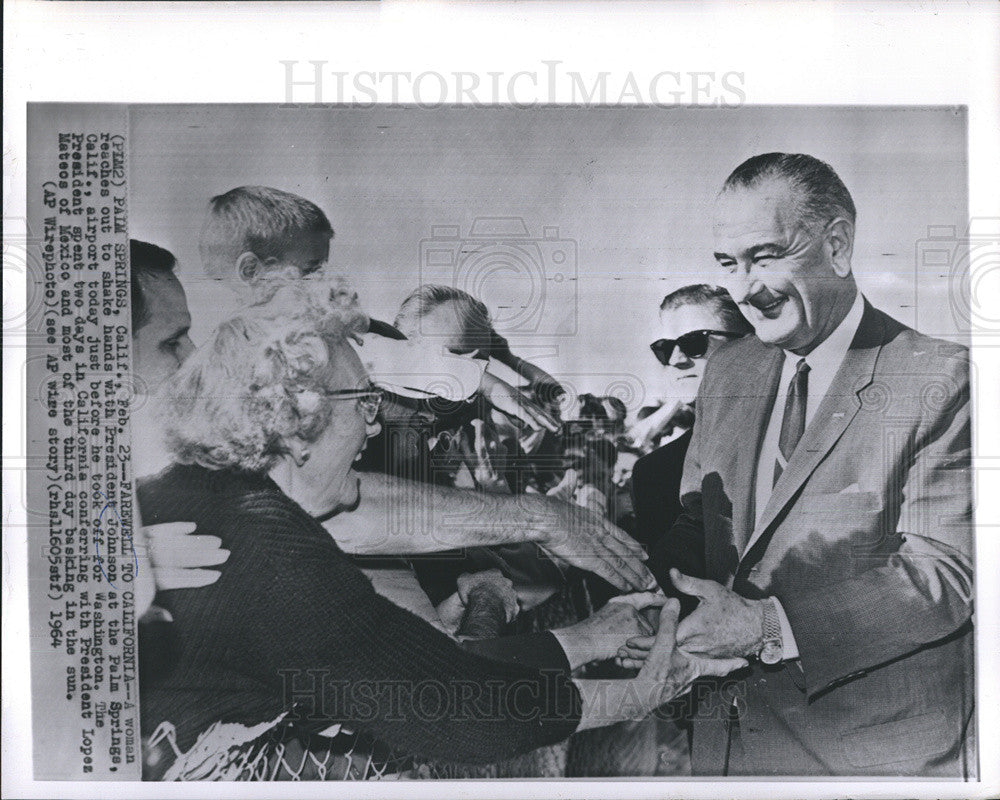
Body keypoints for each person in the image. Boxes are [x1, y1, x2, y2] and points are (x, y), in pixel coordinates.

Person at [137, 277, 744, 778]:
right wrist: (640, 694)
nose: (376, 428)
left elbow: (416, 656)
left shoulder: (217, 494)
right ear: (299, 422)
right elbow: (452, 705)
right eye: (366, 404)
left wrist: (585, 638)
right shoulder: (276, 553)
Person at [619, 153, 974, 777]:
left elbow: (943, 574)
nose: (745, 289)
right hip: (725, 752)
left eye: (766, 256)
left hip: (870, 761)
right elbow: (699, 522)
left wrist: (767, 627)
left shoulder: (941, 377)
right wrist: (643, 592)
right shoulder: (729, 371)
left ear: (837, 246)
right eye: (728, 264)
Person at [197, 187, 654, 593]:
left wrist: (493, 381)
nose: (323, 283)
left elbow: (399, 355)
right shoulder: (242, 348)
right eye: (312, 269)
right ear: (251, 271)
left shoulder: (322, 332)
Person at [629, 285, 752, 608]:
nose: (676, 359)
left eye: (694, 343)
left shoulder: (799, 435)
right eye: (664, 348)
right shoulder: (653, 472)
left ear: (749, 342)